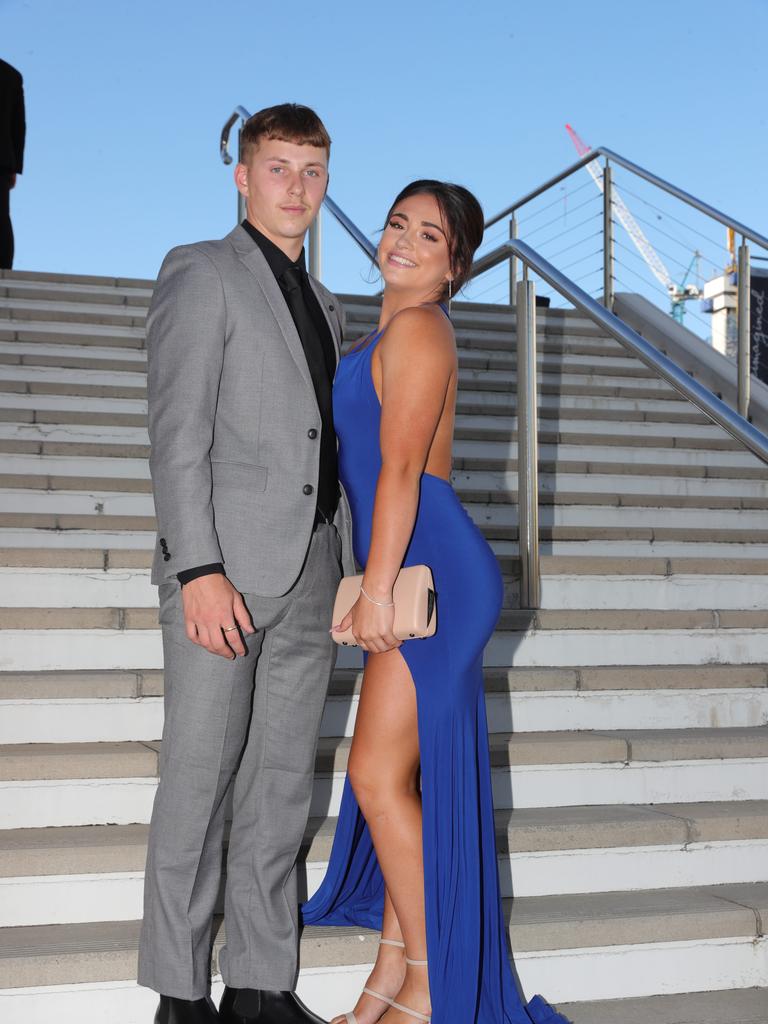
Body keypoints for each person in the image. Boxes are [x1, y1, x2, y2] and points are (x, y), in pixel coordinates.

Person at [301, 181, 571, 1024]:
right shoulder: (382, 329)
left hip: (429, 569)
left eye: (430, 235)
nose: (405, 241)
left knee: (378, 777)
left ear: (456, 265)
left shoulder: (419, 328)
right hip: (416, 560)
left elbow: (401, 472)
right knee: (392, 779)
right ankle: (389, 982)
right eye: (396, 224)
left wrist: (377, 586)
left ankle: (427, 987)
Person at [138, 103, 355, 1024]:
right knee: (199, 781)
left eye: (311, 170)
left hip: (309, 571)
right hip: (223, 573)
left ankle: (262, 985)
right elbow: (176, 435)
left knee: (277, 787)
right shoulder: (202, 272)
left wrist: (343, 561)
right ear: (241, 173)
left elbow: (322, 441)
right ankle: (181, 995)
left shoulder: (329, 303)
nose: (296, 187)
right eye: (278, 168)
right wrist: (197, 570)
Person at [0, 58, 25, 270]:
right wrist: (15, 166)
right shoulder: (11, 75)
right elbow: (18, 127)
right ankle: (3, 268)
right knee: (1, 217)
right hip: (2, 160)